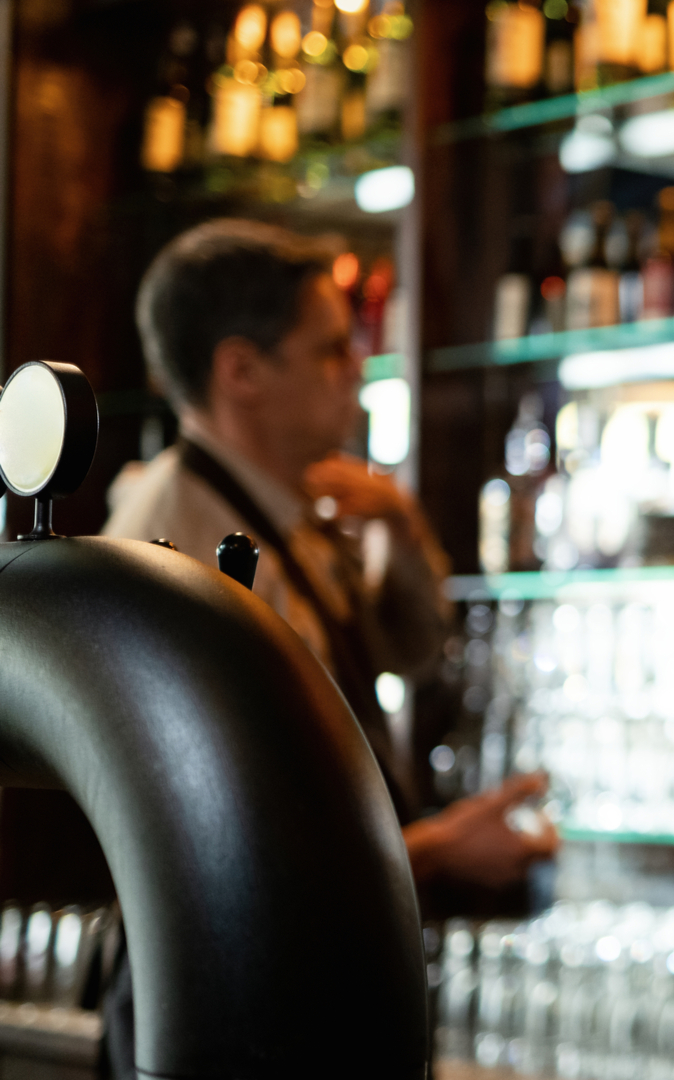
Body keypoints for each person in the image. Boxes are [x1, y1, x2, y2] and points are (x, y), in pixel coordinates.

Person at [104, 219, 557, 892]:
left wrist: (401, 531)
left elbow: (413, 655)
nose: (357, 370)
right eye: (333, 350)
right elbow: (219, 843)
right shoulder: (175, 549)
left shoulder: (298, 505)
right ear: (242, 371)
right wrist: (435, 851)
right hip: (228, 980)